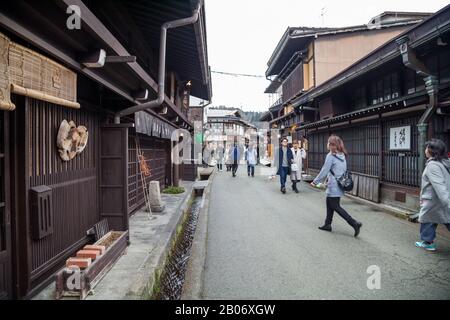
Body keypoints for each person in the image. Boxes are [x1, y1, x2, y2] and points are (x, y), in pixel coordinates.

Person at [311, 135, 362, 237]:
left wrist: (316, 181)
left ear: (331, 145)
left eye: (329, 143)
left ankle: (354, 223)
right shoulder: (342, 155)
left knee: (335, 206)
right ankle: (327, 224)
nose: (327, 144)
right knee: (329, 203)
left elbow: (325, 170)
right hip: (339, 184)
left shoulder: (330, 156)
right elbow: (335, 171)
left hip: (333, 185)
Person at [415, 138, 450, 251]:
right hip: (437, 200)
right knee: (434, 219)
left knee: (428, 219)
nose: (425, 150)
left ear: (432, 151)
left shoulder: (433, 165)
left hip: (434, 200)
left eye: (427, 148)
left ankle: (427, 242)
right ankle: (427, 241)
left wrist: (448, 203)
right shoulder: (443, 162)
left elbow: (440, 186)